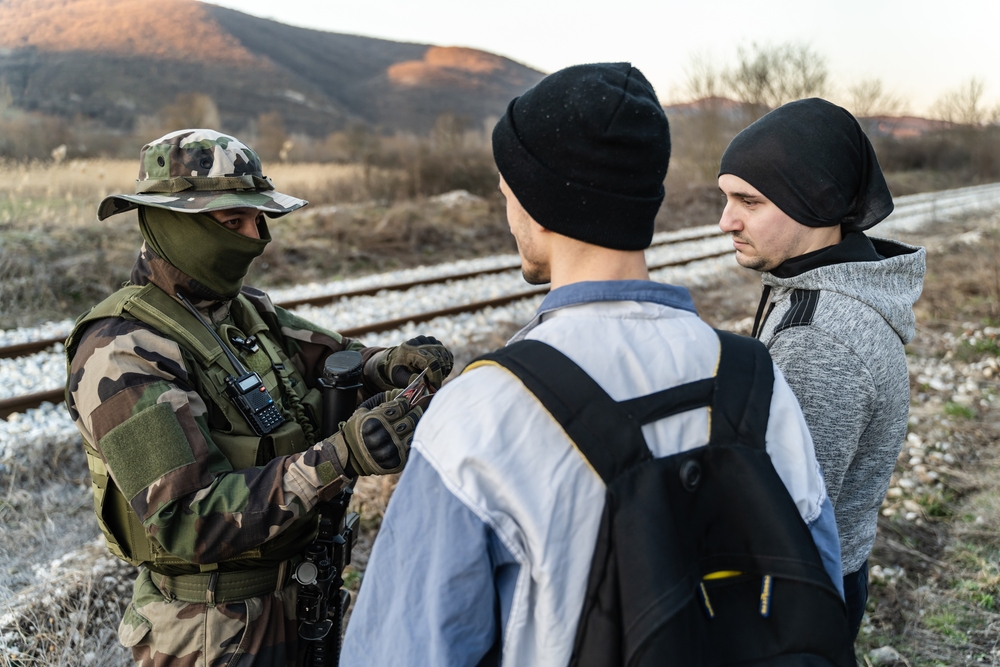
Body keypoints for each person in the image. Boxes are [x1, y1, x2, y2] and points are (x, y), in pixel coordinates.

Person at [342, 63, 843, 666]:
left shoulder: (479, 415)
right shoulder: (753, 377)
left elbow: (403, 650)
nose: (509, 216)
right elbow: (817, 586)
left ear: (540, 202)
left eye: (509, 196)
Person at [64, 128, 453, 666]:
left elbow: (331, 359)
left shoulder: (242, 309)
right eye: (233, 222)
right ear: (175, 222)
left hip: (296, 601)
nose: (256, 236)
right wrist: (338, 458)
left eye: (259, 218)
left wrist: (387, 366)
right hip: (209, 632)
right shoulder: (121, 349)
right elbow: (185, 519)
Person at [717, 97, 926, 639]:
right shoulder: (827, 288)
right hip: (830, 573)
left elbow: (783, 517)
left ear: (816, 202)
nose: (726, 221)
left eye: (749, 201)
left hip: (799, 592)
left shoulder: (818, 339)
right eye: (726, 198)